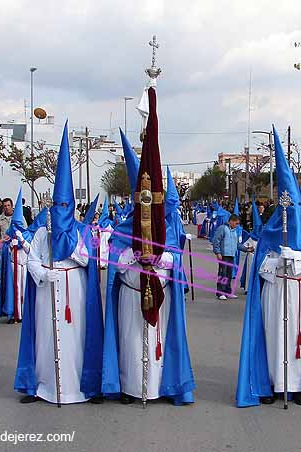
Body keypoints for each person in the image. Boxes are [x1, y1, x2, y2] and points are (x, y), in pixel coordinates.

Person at [102, 99, 194, 406]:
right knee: (129, 341)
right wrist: (133, 258)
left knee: (159, 340)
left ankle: (158, 387)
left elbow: (175, 258)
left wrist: (160, 258)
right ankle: (130, 388)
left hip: (160, 291)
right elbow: (112, 258)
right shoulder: (121, 227)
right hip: (130, 294)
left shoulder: (167, 227)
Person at [236, 126, 301, 407]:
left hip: (298, 291)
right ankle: (274, 384)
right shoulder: (269, 230)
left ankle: (298, 386)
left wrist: (296, 258)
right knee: (274, 336)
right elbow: (260, 266)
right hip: (275, 290)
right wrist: (277, 260)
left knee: (297, 339)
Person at [14, 122, 103, 405]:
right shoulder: (43, 232)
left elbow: (90, 258)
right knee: (45, 335)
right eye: (58, 205)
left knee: (77, 336)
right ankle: (43, 386)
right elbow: (31, 260)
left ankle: (80, 385)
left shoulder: (82, 230)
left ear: (73, 207)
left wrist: (74, 250)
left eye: (67, 205)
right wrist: (44, 272)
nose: (63, 209)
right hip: (47, 287)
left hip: (74, 287)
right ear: (52, 205)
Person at [0, 189, 39, 324]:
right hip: (13, 265)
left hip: (24, 264)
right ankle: (14, 312)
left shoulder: (26, 234)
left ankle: (25, 312)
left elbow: (29, 249)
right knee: (13, 288)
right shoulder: (1, 223)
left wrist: (21, 240)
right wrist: (7, 245)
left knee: (24, 288)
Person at [212, 214, 253, 300]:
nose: (237, 225)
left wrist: (246, 249)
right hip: (224, 254)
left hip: (231, 255)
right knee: (222, 273)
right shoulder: (222, 228)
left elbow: (237, 244)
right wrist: (217, 252)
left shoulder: (234, 231)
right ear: (231, 221)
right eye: (236, 223)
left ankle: (228, 291)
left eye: (238, 223)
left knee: (229, 274)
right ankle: (220, 292)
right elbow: (216, 241)